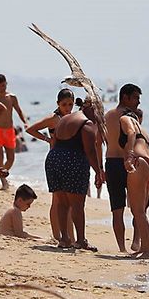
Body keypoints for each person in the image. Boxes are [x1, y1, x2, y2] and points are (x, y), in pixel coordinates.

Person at [26, 88, 101, 250]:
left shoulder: (67, 119)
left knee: (61, 202)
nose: (68, 107)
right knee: (76, 203)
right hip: (71, 161)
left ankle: (64, 239)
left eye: (70, 104)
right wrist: (99, 171)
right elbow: (90, 150)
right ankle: (79, 240)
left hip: (53, 160)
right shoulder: (83, 122)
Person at [102, 85, 143, 253]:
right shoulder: (129, 118)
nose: (138, 102)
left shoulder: (107, 116)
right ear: (125, 97)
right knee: (138, 207)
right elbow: (134, 136)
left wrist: (98, 168)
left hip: (111, 162)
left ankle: (122, 248)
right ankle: (136, 241)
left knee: (117, 209)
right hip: (128, 162)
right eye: (135, 98)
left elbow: (101, 142)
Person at [0, 74, 26, 191]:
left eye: (3, 85)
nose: (2, 87)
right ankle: (3, 181)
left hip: (9, 130)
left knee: (11, 158)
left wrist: (25, 122)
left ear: (6, 83)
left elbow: (19, 110)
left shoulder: (12, 97)